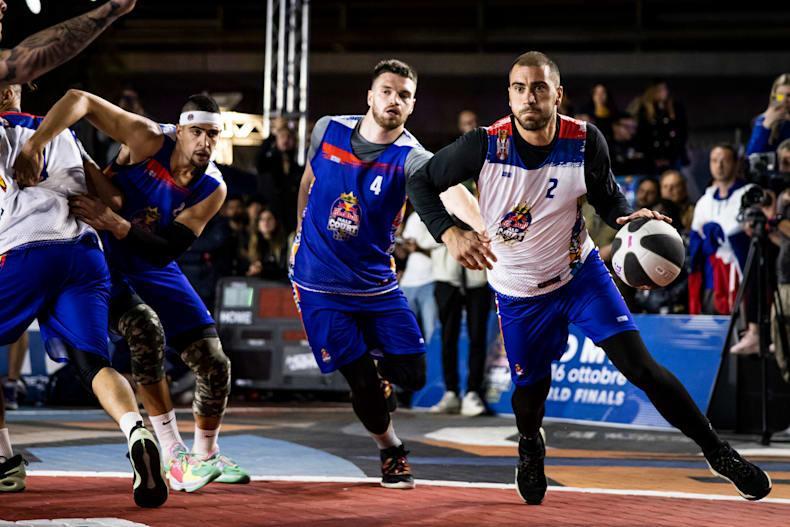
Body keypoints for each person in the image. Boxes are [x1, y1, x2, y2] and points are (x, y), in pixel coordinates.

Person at [408, 50, 771, 504]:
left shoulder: (584, 140)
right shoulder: (482, 145)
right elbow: (419, 182)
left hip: (580, 274)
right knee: (529, 392)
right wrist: (449, 233)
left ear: (558, 94)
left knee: (642, 368)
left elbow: (607, 199)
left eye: (539, 87)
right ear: (509, 95)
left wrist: (628, 216)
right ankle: (529, 445)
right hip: (519, 290)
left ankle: (718, 453)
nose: (529, 97)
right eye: (519, 88)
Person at [15, 90, 250, 492]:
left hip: (149, 256)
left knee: (214, 362)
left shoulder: (213, 187)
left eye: (214, 135)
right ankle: (173, 453)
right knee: (145, 332)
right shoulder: (147, 138)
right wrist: (35, 145)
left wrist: (116, 221)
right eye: (197, 132)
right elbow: (79, 99)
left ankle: (206, 454)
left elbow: (167, 251)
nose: (205, 143)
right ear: (180, 130)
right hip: (100, 253)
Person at [291, 59, 479, 489]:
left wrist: (485, 230)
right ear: (370, 96)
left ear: (412, 106)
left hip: (376, 283)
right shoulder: (327, 129)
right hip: (319, 282)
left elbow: (451, 191)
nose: (395, 100)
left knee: (412, 374)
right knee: (364, 387)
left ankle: (377, 383)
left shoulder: (412, 157)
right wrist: (298, 228)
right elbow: (308, 180)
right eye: (388, 91)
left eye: (405, 95)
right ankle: (391, 449)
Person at [0, 0, 156, 500]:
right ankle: (136, 430)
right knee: (94, 363)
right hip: (84, 254)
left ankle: (4, 460)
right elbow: (111, 198)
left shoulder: (14, 132)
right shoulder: (61, 133)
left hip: (26, 251)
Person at [688, 144, 753, 316]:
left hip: (740, 277)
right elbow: (696, 247)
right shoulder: (704, 201)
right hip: (711, 280)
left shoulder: (749, 194)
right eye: (715, 160)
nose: (719, 165)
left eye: (725, 160)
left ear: (736, 163)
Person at [746, 73, 790, 156]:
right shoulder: (762, 120)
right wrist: (766, 124)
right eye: (780, 95)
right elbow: (752, 156)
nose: (784, 100)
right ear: (774, 96)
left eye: (789, 95)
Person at [246, 207, 289, 282]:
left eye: (269, 219)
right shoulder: (252, 244)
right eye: (262, 219)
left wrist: (263, 268)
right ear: (258, 224)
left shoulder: (284, 244)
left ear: (276, 222)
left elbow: (284, 270)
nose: (266, 222)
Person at [660, 169, 694, 233]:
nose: (669, 190)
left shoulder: (696, 211)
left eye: (675, 186)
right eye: (665, 186)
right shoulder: (654, 213)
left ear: (684, 188)